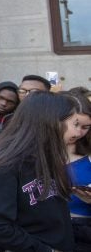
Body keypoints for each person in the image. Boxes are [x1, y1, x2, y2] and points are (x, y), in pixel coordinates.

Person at [0, 92, 75, 252]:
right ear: (49, 123)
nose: (76, 131)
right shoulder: (7, 164)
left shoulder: (49, 155)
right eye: (71, 122)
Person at [65, 88, 91, 251]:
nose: (78, 132)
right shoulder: (40, 153)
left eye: (85, 127)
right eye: (75, 124)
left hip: (84, 232)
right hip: (49, 231)